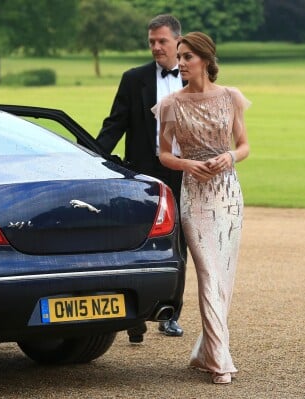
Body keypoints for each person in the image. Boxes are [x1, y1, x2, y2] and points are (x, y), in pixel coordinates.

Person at [154, 32, 251, 384]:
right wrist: (187, 165)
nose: (180, 63)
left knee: (223, 278)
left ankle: (204, 351)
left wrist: (229, 157)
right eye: (179, 56)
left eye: (187, 57)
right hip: (194, 195)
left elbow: (243, 146)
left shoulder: (231, 98)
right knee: (209, 273)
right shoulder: (170, 104)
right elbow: (164, 154)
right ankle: (220, 362)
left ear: (206, 61)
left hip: (228, 195)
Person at [96, 14, 187, 343]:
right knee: (135, 242)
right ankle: (134, 318)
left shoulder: (194, 78)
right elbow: (114, 125)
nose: (156, 47)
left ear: (179, 41)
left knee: (179, 243)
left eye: (162, 41)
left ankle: (171, 313)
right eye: (151, 42)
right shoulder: (134, 79)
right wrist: (90, 157)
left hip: (183, 173)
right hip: (144, 173)